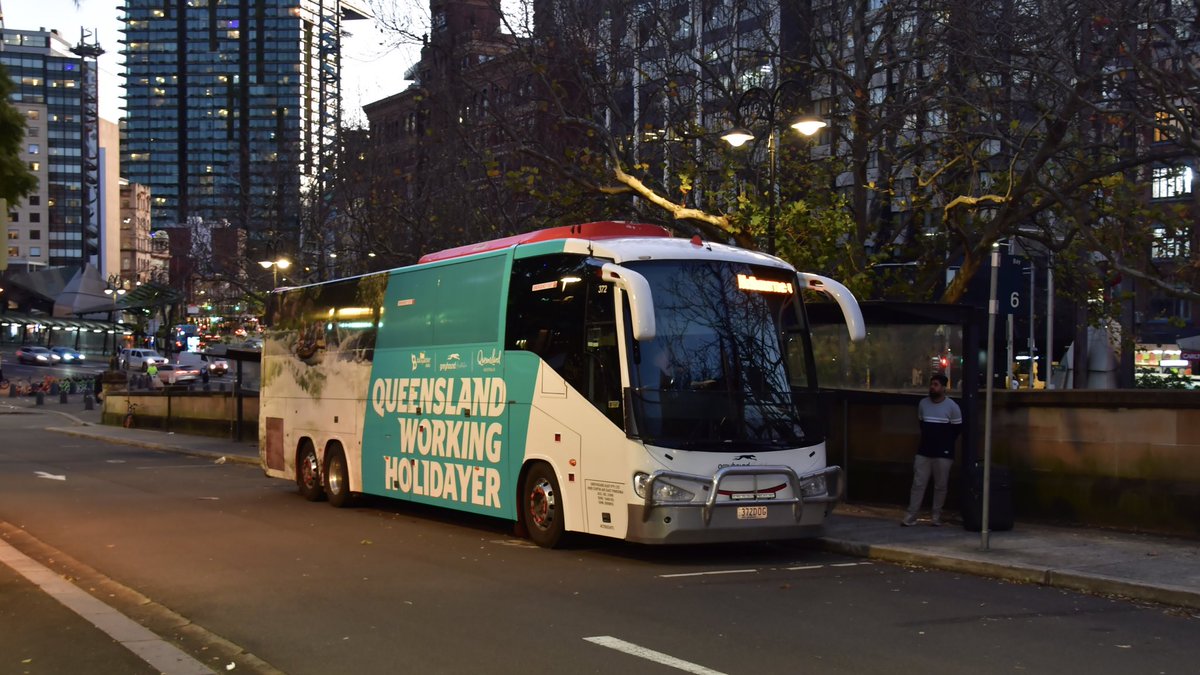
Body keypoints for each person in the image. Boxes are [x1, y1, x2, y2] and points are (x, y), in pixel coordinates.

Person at [902, 373, 962, 526]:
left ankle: (936, 516)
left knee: (940, 485)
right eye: (931, 384)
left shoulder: (952, 407)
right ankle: (911, 515)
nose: (932, 387)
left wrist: (945, 444)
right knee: (918, 483)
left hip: (943, 452)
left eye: (935, 385)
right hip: (924, 450)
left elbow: (956, 429)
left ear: (943, 388)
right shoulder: (923, 404)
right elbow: (922, 424)